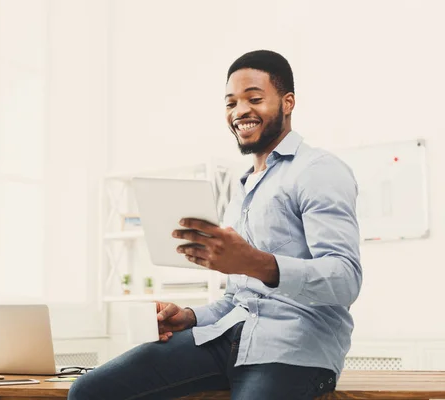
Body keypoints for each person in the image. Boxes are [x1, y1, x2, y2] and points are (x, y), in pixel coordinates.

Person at [68, 49, 362, 400]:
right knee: (89, 392)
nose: (240, 112)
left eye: (254, 98)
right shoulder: (243, 188)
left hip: (295, 350)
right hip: (225, 338)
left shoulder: (318, 171)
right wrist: (189, 317)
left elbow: (345, 280)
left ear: (288, 103)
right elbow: (239, 298)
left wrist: (253, 262)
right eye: (230, 103)